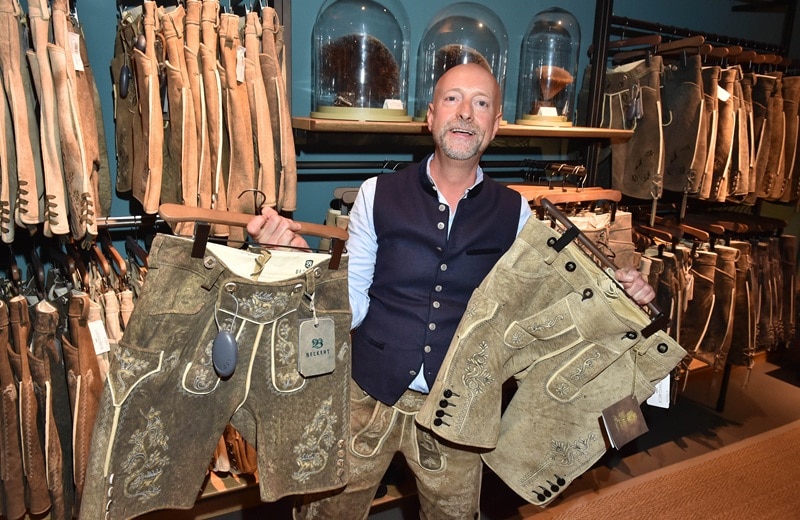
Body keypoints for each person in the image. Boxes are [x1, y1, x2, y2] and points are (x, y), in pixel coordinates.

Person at [247, 62, 655, 519]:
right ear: (430, 115)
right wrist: (301, 261)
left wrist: (621, 295)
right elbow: (353, 304)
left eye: (481, 104)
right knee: (327, 514)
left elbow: (537, 314)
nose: (465, 113)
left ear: (496, 125)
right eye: (453, 99)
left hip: (459, 408)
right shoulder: (376, 194)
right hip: (368, 393)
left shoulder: (516, 213)